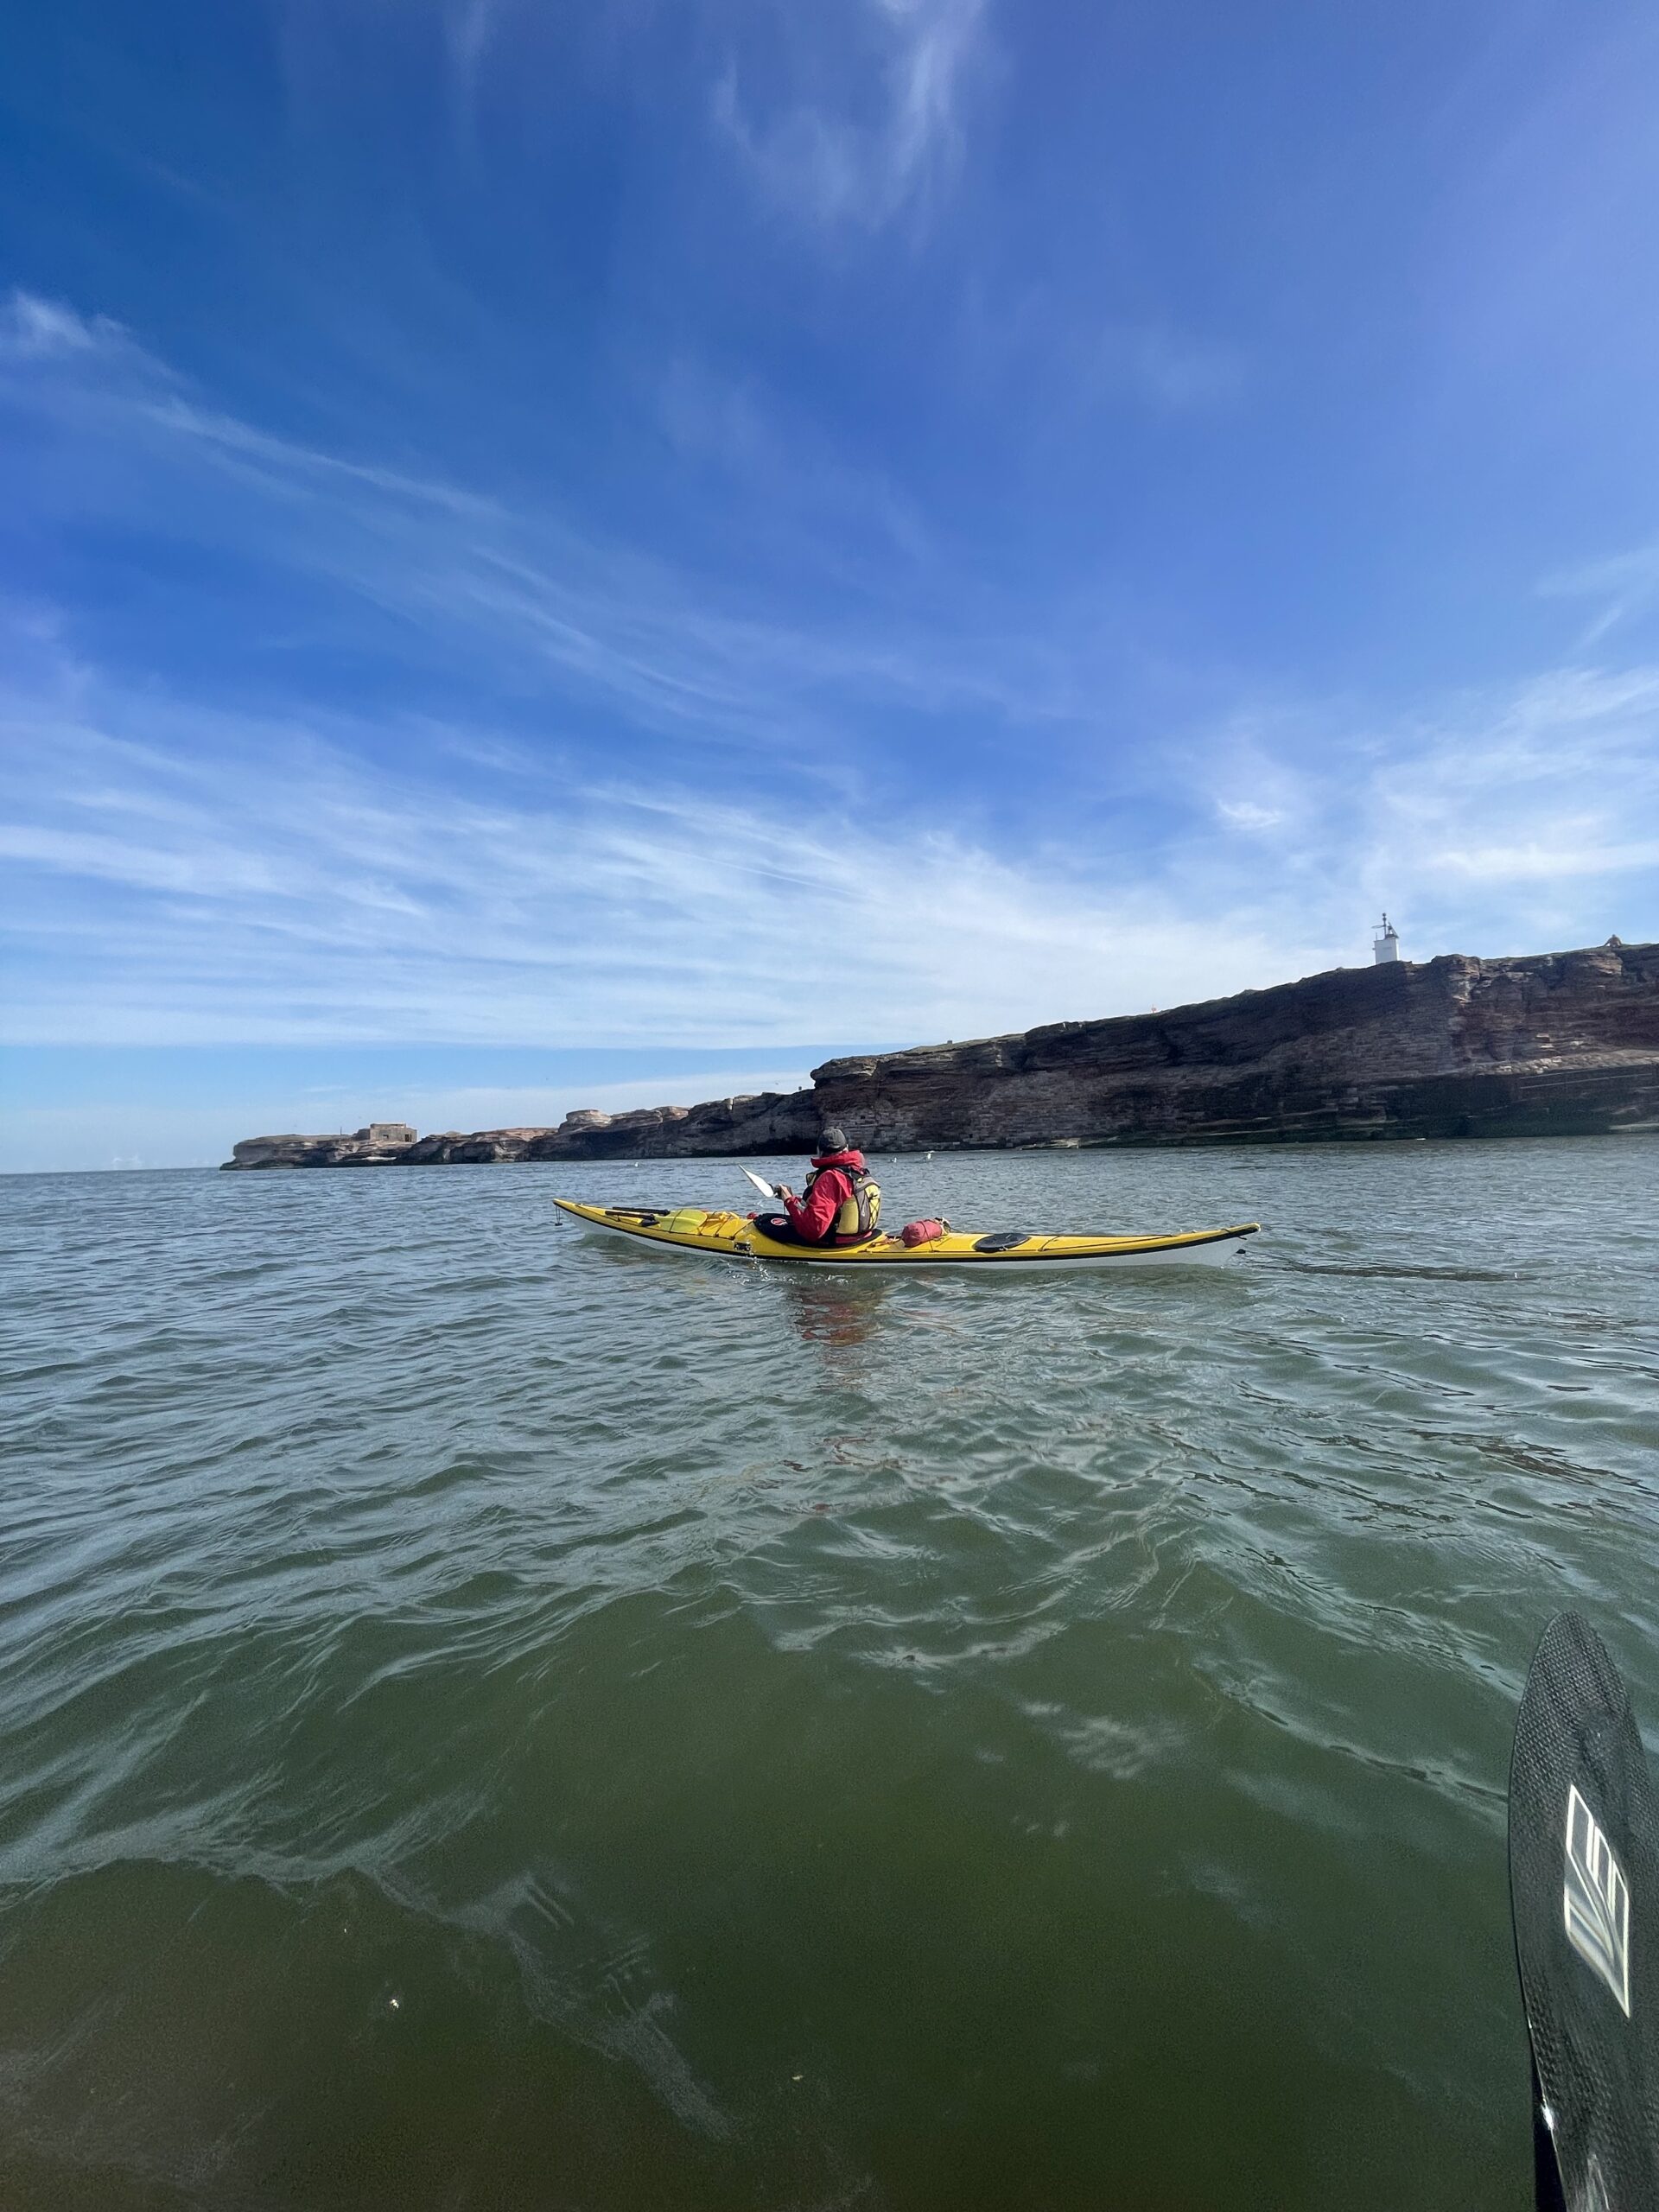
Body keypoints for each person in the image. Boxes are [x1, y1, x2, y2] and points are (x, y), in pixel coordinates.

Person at [759, 1128, 881, 1248]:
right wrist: (792, 1198)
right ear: (846, 1149)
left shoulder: (830, 1177)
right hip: (865, 1236)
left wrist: (789, 1201)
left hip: (837, 1242)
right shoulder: (859, 1172)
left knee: (763, 1222)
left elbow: (814, 1230)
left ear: (819, 1151)